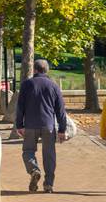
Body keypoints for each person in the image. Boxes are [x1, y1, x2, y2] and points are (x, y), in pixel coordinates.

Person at [14, 59, 68, 193]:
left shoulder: (27, 85)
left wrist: (19, 125)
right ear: (47, 70)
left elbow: (20, 107)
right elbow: (60, 111)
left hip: (31, 125)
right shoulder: (54, 86)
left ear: (35, 70)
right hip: (48, 125)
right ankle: (48, 184)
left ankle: (34, 170)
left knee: (28, 151)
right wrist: (62, 129)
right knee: (49, 155)